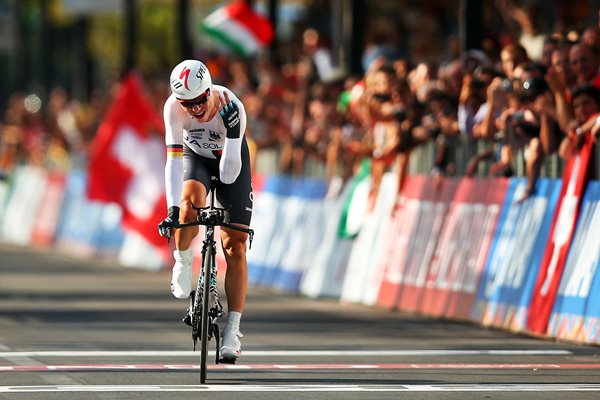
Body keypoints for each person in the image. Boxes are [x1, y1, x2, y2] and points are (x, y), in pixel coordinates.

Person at [157, 59, 253, 361]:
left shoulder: (231, 106)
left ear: (209, 91)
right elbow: (173, 161)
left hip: (230, 160)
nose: (195, 109)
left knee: (234, 246)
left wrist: (234, 132)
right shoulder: (173, 108)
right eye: (188, 104)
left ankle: (232, 330)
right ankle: (183, 261)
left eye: (200, 100)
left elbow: (227, 177)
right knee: (187, 209)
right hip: (194, 157)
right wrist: (172, 210)